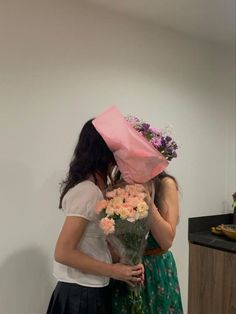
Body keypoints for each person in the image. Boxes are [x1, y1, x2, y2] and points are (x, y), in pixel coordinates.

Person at [46, 119, 144, 314]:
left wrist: (125, 262)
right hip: (81, 294)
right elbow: (63, 252)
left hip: (92, 288)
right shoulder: (88, 191)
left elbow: (94, 241)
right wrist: (114, 271)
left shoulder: (101, 189)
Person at [112, 171, 183, 313]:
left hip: (156, 269)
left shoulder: (164, 184)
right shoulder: (120, 182)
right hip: (127, 270)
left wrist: (147, 199)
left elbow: (166, 241)